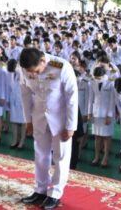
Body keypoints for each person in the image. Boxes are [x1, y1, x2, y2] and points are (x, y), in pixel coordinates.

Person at [18, 46, 78, 210]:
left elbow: (72, 97)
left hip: (60, 119)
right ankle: (40, 190)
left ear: (43, 61)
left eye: (36, 71)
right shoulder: (24, 68)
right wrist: (28, 120)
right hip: (39, 117)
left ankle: (55, 193)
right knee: (40, 154)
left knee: (60, 156)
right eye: (30, 72)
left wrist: (71, 126)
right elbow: (25, 94)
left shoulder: (62, 67)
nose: (33, 74)